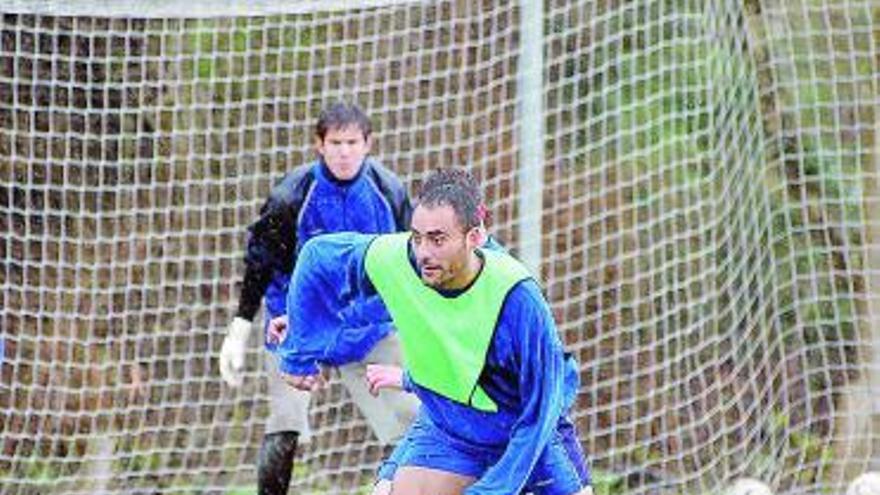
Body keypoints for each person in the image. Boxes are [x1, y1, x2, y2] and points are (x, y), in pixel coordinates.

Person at [276, 167, 592, 495]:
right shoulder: (401, 260)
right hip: (451, 428)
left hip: (528, 433)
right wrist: (303, 339)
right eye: (417, 237)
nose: (423, 251)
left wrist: (492, 490)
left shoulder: (516, 297)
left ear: (476, 236)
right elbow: (318, 258)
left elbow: (538, 408)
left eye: (438, 239)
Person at [218, 101, 419, 495]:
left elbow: (411, 262)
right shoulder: (292, 196)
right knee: (285, 423)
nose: (344, 152)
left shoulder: (389, 192)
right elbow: (261, 261)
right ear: (319, 145)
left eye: (352, 142)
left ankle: (395, 488)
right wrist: (240, 326)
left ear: (368, 144)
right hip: (297, 324)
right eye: (336, 142)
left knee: (412, 421)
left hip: (368, 327)